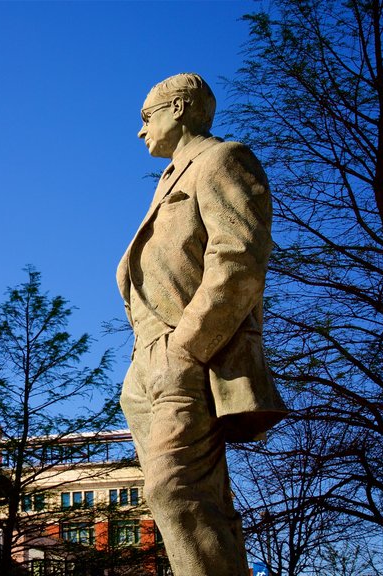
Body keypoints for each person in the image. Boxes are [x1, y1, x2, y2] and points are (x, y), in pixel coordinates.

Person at [117, 73, 287, 576]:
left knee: (176, 490)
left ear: (181, 108)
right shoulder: (171, 178)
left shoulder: (221, 159)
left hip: (186, 351)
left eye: (147, 117)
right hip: (146, 365)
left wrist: (186, 347)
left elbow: (238, 257)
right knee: (187, 499)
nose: (140, 131)